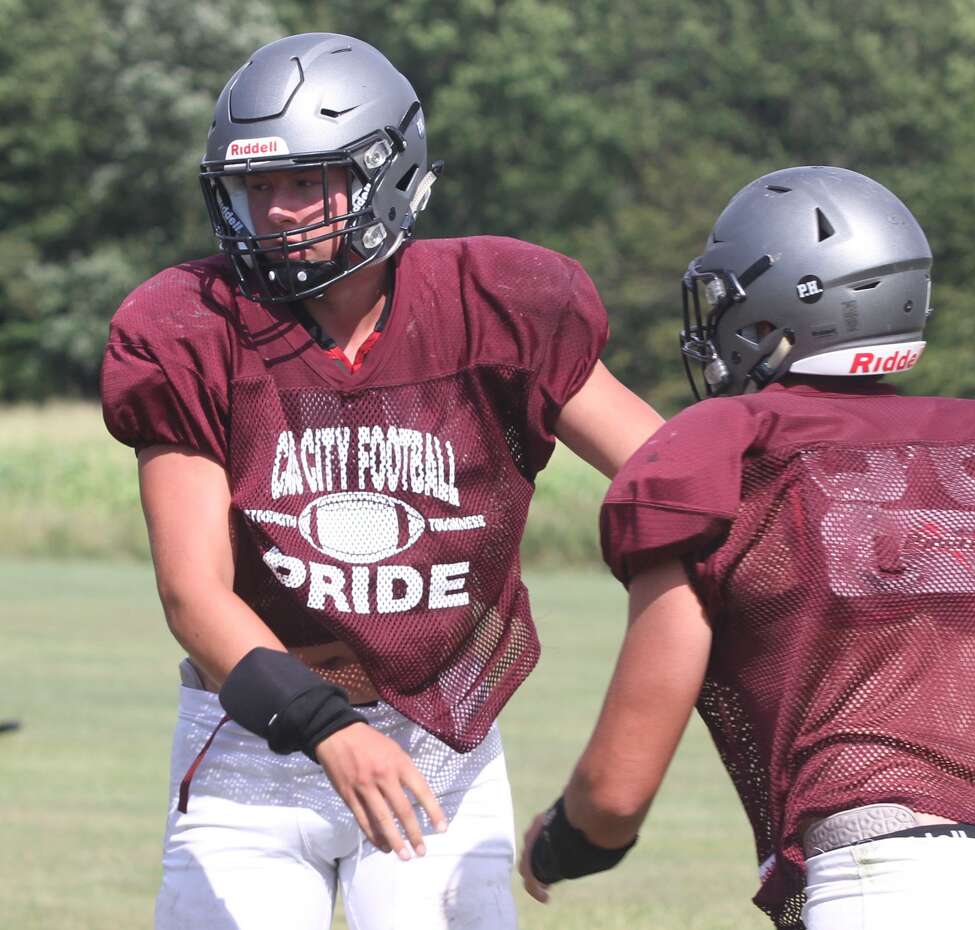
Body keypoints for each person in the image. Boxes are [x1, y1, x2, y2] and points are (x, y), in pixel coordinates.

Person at [100, 32, 661, 930]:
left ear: (386, 173)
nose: (274, 212)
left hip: (439, 740)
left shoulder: (498, 304)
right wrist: (324, 727)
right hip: (253, 741)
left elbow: (675, 479)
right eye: (255, 186)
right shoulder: (188, 327)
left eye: (301, 181)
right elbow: (192, 593)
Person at [519, 166, 975, 930]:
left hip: (877, 883)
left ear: (776, 307)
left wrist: (560, 844)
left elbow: (616, 793)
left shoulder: (727, 452)